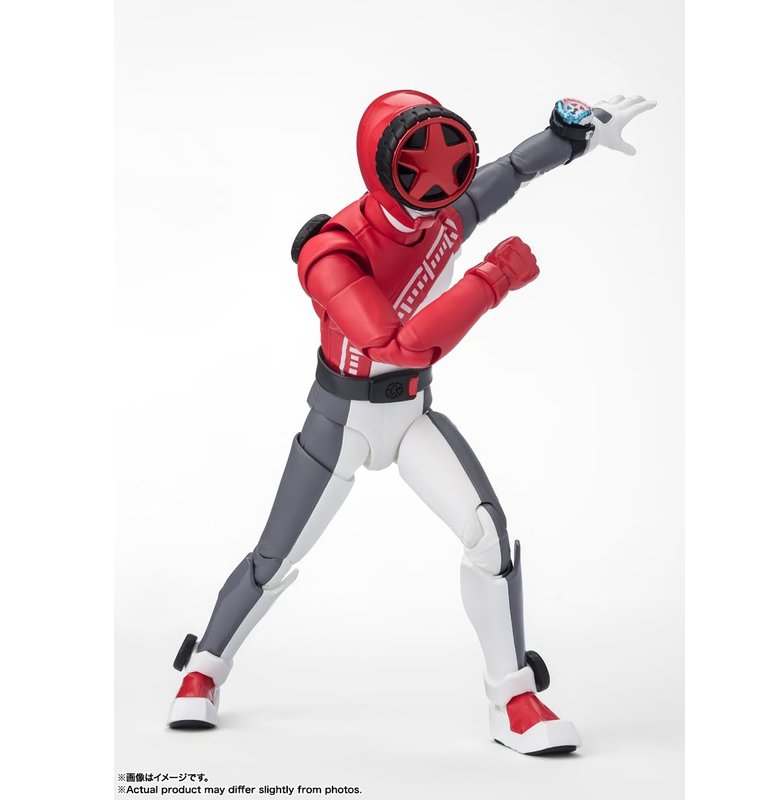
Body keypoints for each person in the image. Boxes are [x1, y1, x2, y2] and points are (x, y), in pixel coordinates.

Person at [167, 90, 654, 755]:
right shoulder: (332, 251)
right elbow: (396, 344)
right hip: (341, 422)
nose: (436, 182)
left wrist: (570, 139)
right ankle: (204, 667)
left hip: (412, 414)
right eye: (419, 166)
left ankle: (513, 696)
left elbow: (512, 171)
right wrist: (491, 279)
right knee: (274, 556)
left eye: (448, 163)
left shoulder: (443, 218)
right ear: (382, 166)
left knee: (488, 536)